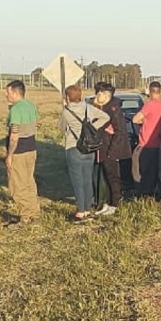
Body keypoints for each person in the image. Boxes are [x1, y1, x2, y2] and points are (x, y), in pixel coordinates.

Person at [58, 85, 109, 222]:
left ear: (67, 97)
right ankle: (87, 209)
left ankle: (80, 211)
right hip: (89, 148)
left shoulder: (66, 111)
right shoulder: (88, 108)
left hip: (73, 147)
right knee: (87, 179)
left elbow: (61, 128)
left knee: (77, 181)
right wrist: (92, 128)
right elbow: (105, 117)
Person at [92, 82, 131, 216]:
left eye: (99, 93)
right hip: (103, 148)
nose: (97, 95)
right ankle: (107, 203)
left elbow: (119, 132)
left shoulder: (113, 109)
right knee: (106, 177)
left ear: (107, 95)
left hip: (110, 149)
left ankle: (115, 204)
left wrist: (112, 151)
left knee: (113, 177)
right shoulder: (102, 108)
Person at [4, 80, 40, 226]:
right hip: (31, 149)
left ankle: (25, 216)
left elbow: (14, 135)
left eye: (8, 92)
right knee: (29, 182)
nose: (6, 95)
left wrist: (9, 155)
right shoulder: (31, 105)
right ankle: (34, 211)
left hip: (19, 151)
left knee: (17, 185)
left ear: (15, 92)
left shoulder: (16, 110)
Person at [132, 81, 161, 197]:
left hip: (145, 143)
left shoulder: (149, 105)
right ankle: (150, 194)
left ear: (150, 92)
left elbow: (135, 119)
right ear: (160, 92)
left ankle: (141, 193)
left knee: (138, 170)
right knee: (152, 172)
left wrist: (144, 121)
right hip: (158, 143)